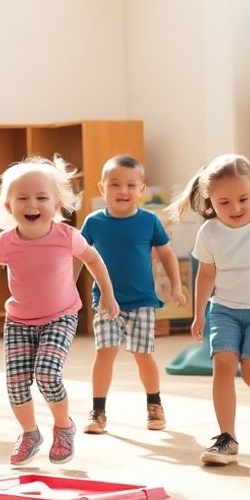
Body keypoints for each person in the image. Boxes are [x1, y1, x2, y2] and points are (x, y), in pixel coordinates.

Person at [0, 156, 118, 466]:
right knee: (16, 383)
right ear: (9, 206)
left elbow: (93, 260)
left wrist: (108, 295)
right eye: (23, 198)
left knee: (47, 373)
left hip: (61, 316)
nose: (32, 204)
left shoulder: (66, 236)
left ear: (57, 205)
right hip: (18, 320)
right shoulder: (6, 242)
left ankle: (63, 427)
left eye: (42, 197)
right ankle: (30, 433)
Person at [166, 154, 250, 465]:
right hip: (224, 308)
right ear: (209, 198)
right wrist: (198, 314)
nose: (235, 209)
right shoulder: (209, 232)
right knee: (223, 364)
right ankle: (226, 438)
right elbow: (206, 273)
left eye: (243, 199)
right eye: (224, 202)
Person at [81, 155, 186, 435]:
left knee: (143, 354)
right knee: (105, 352)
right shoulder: (93, 222)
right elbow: (78, 255)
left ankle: (154, 403)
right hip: (106, 300)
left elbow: (166, 253)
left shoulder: (149, 221)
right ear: (102, 188)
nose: (123, 191)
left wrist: (176, 286)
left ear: (141, 189)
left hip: (141, 301)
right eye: (114, 184)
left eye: (130, 185)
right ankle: (98, 410)